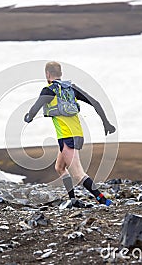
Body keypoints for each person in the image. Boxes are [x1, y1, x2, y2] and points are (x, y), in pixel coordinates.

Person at [24, 61, 116, 207]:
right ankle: (72, 199)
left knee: (78, 174)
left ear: (47, 74)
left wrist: (28, 117)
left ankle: (104, 200)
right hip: (77, 134)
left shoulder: (48, 90)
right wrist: (106, 123)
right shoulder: (71, 89)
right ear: (60, 74)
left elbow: (33, 110)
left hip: (67, 137)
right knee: (59, 167)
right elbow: (96, 102)